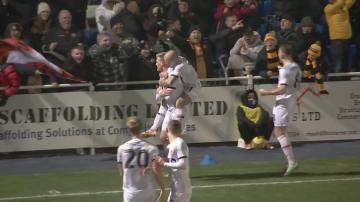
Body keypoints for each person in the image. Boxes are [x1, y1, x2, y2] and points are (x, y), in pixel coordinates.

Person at [259, 44, 301, 176]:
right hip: (291, 100)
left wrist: (266, 92)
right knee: (281, 131)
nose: (277, 54)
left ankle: (292, 162)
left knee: (279, 132)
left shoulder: (285, 70)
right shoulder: (295, 67)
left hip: (283, 102)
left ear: (283, 54)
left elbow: (282, 88)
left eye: (279, 52)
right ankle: (291, 161)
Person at [116, 117, 165, 202]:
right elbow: (156, 170)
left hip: (130, 193)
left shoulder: (122, 149)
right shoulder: (152, 148)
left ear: (129, 130)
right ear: (141, 129)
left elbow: (122, 172)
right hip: (146, 191)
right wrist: (162, 189)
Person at [156, 120, 192, 202]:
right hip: (175, 187)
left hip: (182, 190)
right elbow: (161, 158)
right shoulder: (171, 146)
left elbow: (183, 164)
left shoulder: (180, 143)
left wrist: (164, 164)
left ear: (167, 130)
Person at [324, 0, 355, 72]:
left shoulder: (343, 6)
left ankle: (346, 81)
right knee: (338, 64)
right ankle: (337, 80)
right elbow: (340, 3)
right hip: (336, 39)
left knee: (346, 64)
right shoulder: (328, 8)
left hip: (346, 37)